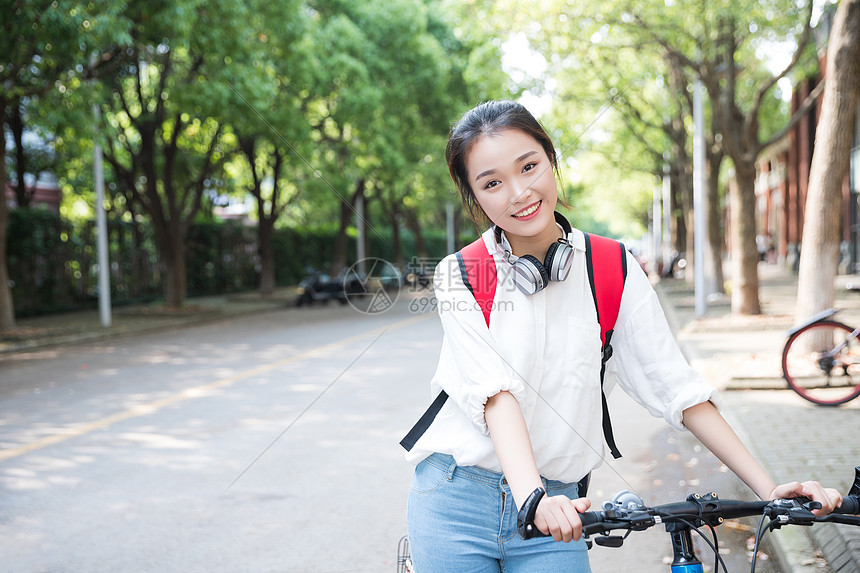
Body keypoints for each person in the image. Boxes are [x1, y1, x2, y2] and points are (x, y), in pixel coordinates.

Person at [404, 100, 842, 572]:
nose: (518, 192)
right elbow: (495, 396)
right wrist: (532, 495)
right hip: (456, 501)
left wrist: (769, 489)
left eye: (529, 166)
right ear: (475, 197)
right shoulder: (461, 273)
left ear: (551, 160)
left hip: (558, 508)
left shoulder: (613, 267)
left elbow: (676, 386)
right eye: (492, 183)